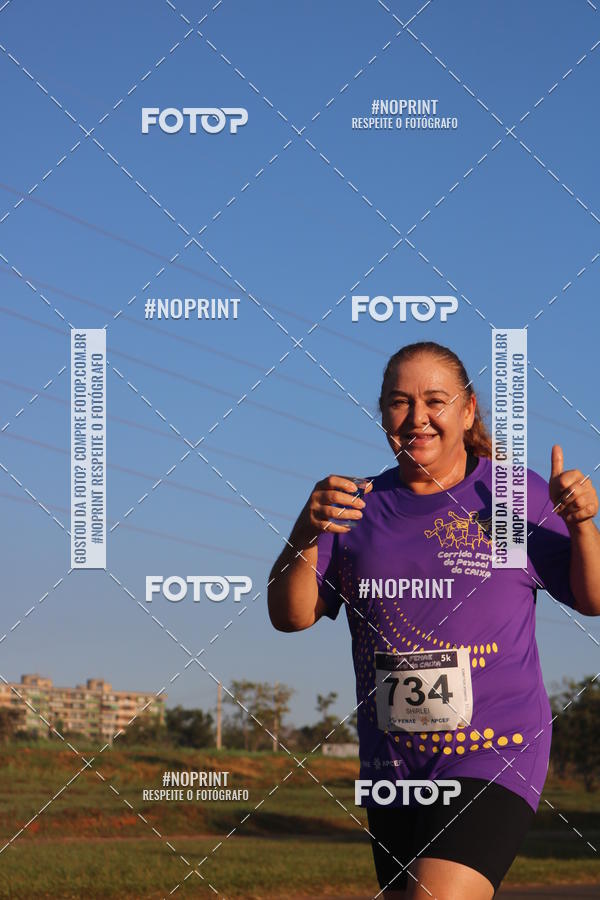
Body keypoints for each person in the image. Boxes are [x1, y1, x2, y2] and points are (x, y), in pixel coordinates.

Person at [267, 341, 600, 899]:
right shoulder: (357, 508)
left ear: (468, 411)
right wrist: (305, 530)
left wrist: (585, 526)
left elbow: (593, 599)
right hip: (393, 766)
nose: (417, 416)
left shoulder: (511, 498)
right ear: (382, 414)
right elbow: (291, 615)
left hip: (495, 748)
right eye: (399, 402)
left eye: (435, 401)